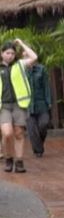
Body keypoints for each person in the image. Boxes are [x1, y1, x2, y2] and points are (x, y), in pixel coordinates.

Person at [0, 38, 37, 173]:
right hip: (3, 105)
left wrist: (21, 44)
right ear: (2, 54)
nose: (10, 56)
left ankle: (19, 161)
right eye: (7, 53)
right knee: (7, 133)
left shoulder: (20, 65)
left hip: (19, 104)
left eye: (12, 53)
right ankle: (9, 157)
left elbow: (34, 57)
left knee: (19, 133)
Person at [26, 54, 52, 158]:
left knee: (44, 124)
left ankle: (38, 144)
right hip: (27, 104)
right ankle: (38, 150)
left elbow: (46, 86)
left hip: (41, 103)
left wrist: (48, 101)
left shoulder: (41, 69)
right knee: (32, 129)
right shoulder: (21, 71)